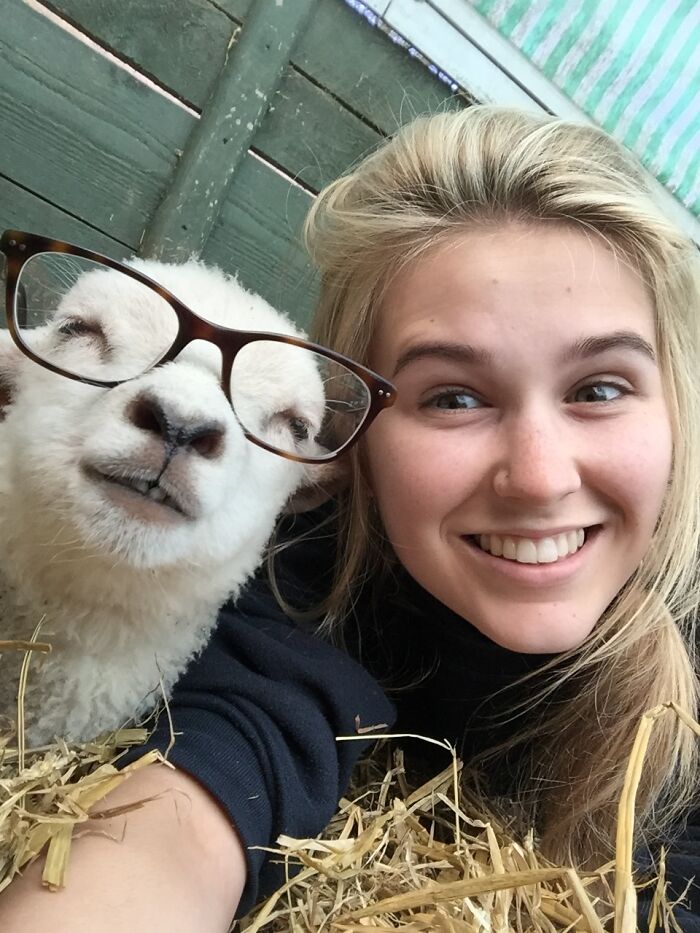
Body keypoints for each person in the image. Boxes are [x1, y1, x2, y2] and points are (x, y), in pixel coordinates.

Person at [1, 106, 698, 931]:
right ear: (353, 453)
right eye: (453, 396)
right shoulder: (309, 588)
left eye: (600, 388)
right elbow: (202, 795)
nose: (541, 478)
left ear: (678, 405)